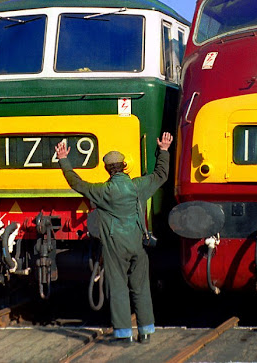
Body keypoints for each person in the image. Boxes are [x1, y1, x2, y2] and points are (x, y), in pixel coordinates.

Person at [55, 132, 174, 344]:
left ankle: (124, 334)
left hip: (115, 247)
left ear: (107, 169)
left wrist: (64, 160)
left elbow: (77, 183)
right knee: (141, 287)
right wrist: (163, 150)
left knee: (119, 286)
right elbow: (161, 175)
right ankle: (146, 331)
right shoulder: (138, 186)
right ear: (124, 165)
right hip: (137, 244)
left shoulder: (102, 191)